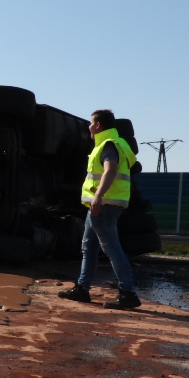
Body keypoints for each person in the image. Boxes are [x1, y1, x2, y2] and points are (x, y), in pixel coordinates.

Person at [59, 109, 142, 309]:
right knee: (89, 247)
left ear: (98, 125)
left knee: (111, 249)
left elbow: (110, 170)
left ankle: (128, 294)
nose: (88, 127)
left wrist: (98, 196)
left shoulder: (108, 145)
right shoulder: (120, 143)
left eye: (91, 123)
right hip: (102, 205)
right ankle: (82, 289)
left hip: (103, 205)